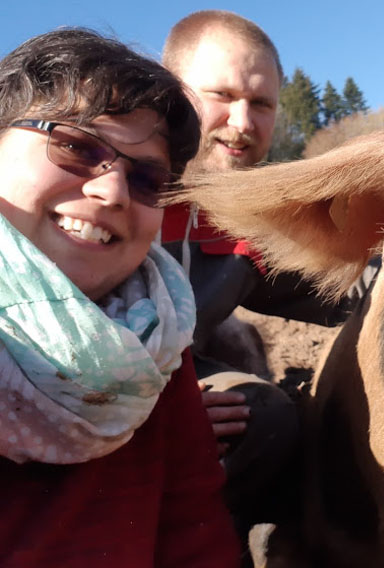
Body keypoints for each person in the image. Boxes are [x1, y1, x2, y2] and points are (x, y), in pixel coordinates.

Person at [0, 28, 239, 567]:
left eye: (148, 178)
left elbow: (194, 531)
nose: (111, 192)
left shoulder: (155, 335)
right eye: (75, 146)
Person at [160, 10, 367, 546]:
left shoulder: (247, 223)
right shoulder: (105, 183)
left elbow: (339, 285)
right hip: (60, 383)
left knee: (264, 418)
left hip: (177, 380)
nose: (243, 122)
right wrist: (148, 409)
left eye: (261, 104)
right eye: (222, 95)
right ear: (168, 90)